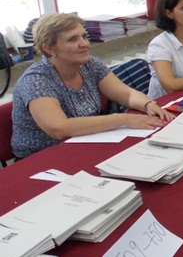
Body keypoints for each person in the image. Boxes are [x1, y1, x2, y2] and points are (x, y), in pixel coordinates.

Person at [11, 13, 173, 158]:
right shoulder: (36, 80)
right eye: (72, 39)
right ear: (49, 49)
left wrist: (148, 104)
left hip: (84, 143)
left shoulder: (89, 64)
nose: (84, 44)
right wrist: (123, 119)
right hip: (42, 158)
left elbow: (126, 94)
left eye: (84, 36)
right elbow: (60, 128)